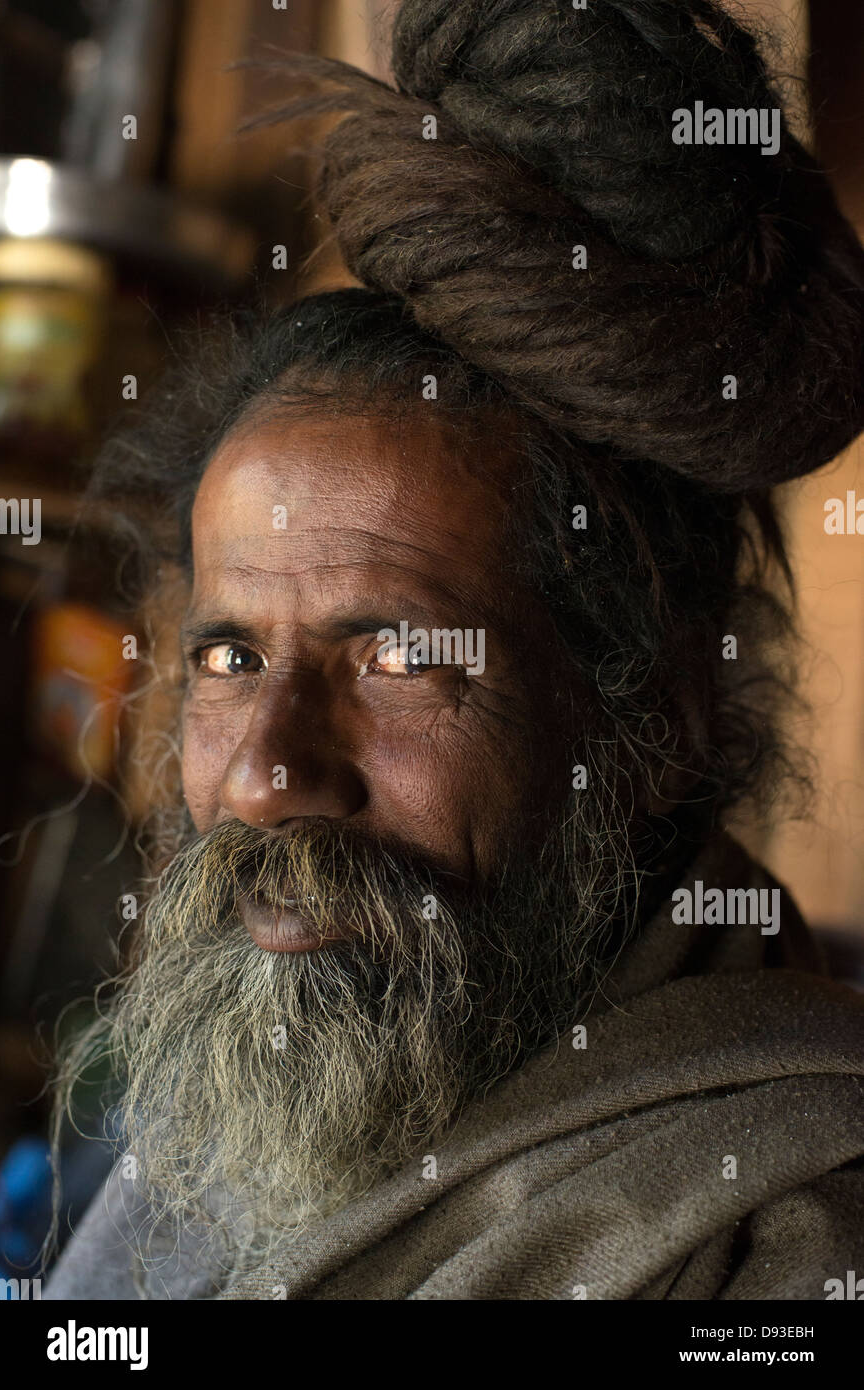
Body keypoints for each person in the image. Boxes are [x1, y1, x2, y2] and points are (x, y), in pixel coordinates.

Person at [45, 0, 864, 1301]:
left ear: (654, 707)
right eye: (227, 658)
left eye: (397, 658)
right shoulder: (253, 1100)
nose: (264, 777)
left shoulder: (768, 1254)